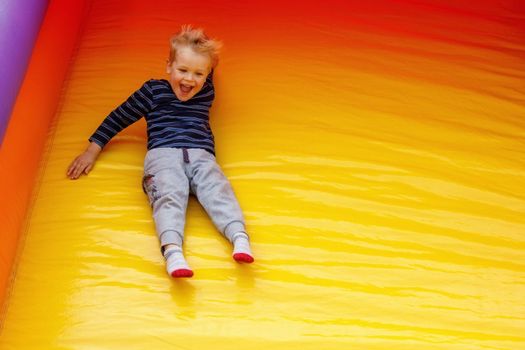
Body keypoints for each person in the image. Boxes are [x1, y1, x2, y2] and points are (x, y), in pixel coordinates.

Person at [67, 25, 254, 278]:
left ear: (207, 74)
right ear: (168, 67)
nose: (189, 79)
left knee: (218, 189)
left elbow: (210, 61)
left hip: (200, 154)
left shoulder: (205, 91)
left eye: (199, 73)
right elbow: (118, 117)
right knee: (168, 195)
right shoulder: (153, 91)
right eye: (182, 70)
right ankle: (173, 251)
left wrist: (203, 48)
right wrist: (92, 150)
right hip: (163, 155)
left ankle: (238, 236)